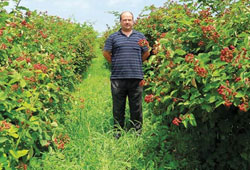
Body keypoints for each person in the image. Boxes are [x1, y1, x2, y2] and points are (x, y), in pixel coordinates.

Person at [103, 11, 150, 138]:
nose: (127, 22)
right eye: (125, 20)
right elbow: (106, 53)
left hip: (136, 76)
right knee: (118, 107)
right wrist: (116, 62)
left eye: (129, 19)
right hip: (118, 77)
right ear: (120, 22)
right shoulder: (113, 37)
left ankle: (137, 132)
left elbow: (146, 53)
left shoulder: (140, 37)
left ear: (133, 21)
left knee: (136, 107)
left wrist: (137, 61)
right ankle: (118, 131)